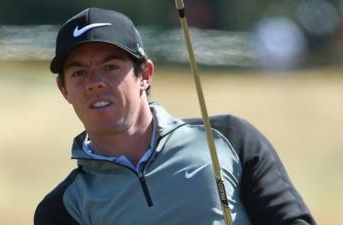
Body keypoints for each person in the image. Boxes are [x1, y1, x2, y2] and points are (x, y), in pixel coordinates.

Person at [34, 7, 317, 225]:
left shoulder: (229, 138)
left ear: (144, 74)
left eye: (110, 67)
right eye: (79, 73)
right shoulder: (63, 208)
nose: (94, 82)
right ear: (64, 89)